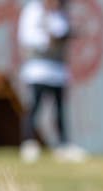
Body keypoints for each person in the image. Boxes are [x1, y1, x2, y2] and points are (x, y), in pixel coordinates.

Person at [17, 0, 85, 163]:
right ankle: (29, 143)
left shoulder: (60, 13)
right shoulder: (34, 10)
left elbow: (62, 31)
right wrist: (48, 39)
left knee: (59, 109)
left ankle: (63, 145)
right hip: (38, 68)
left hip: (58, 69)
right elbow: (28, 37)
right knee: (35, 107)